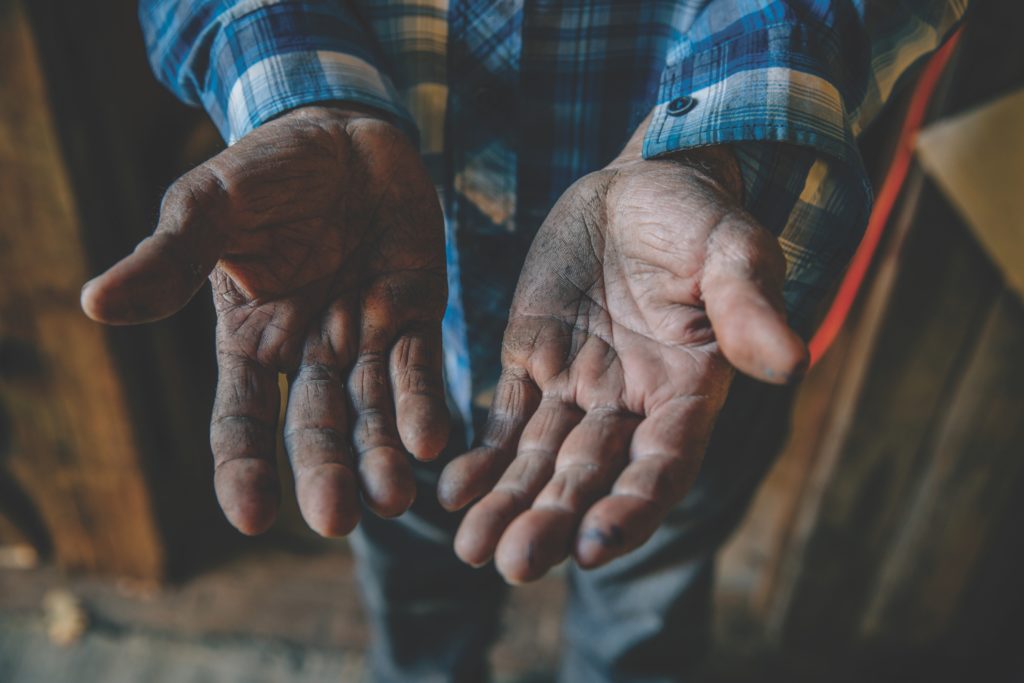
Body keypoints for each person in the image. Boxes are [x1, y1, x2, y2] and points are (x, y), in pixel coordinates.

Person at [81, 1, 967, 680]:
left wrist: (711, 153)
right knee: (414, 596)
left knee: (642, 605)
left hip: (676, 349)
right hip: (382, 363)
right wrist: (296, 90)